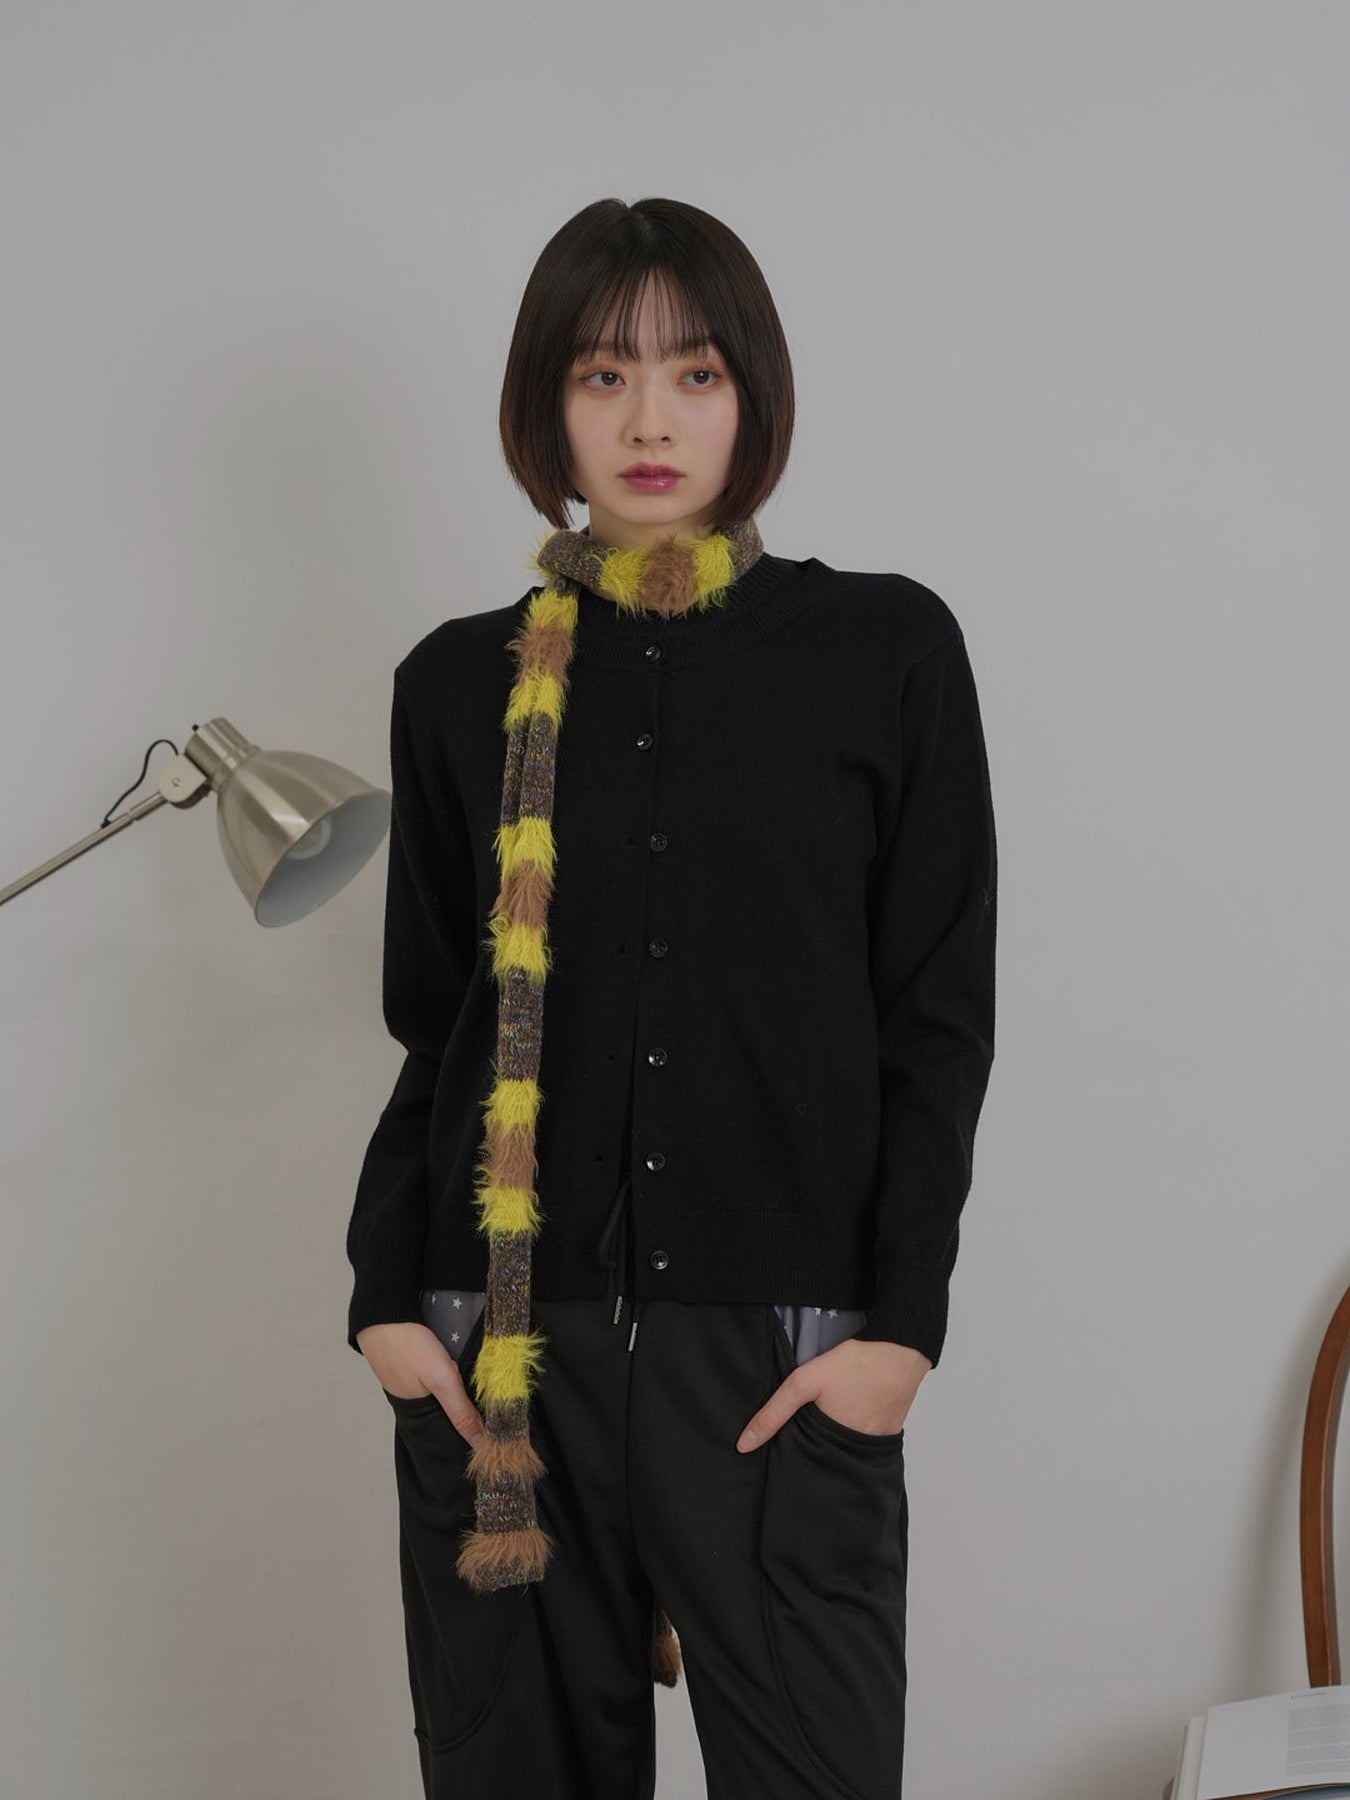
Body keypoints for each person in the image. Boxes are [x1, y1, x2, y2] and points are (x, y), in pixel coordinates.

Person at [346, 195, 998, 1800]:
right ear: (545, 404)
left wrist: (897, 1332)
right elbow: (435, 1026)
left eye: (694, 374)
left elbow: (933, 1023)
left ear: (751, 395)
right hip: (498, 1364)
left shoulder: (883, 651)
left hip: (782, 1360)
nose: (648, 422)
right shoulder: (457, 681)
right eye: (602, 374)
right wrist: (386, 1304)